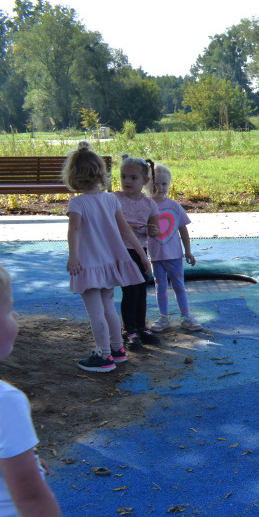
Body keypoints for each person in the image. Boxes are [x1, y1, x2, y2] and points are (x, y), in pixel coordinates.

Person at [0, 265, 98, 517]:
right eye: (9, 309)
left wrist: (18, 462)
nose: (17, 318)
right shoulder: (5, 401)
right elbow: (30, 499)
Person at [65, 143, 150, 372]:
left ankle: (103, 357)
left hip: (89, 265)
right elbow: (126, 231)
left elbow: (73, 231)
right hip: (109, 265)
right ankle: (117, 350)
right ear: (100, 173)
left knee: (96, 313)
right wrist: (143, 255)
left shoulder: (77, 203)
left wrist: (73, 257)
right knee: (108, 308)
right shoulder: (111, 199)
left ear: (74, 176)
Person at [147, 164, 203, 333]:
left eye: (164, 184)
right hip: (156, 256)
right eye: (156, 184)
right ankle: (163, 317)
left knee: (179, 286)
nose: (160, 188)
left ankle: (185, 316)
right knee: (160, 287)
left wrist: (188, 251)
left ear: (169, 184)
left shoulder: (174, 206)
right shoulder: (147, 206)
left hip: (174, 256)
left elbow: (183, 229)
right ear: (149, 185)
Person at [116, 156, 161, 350]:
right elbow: (108, 224)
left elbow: (155, 229)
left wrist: (152, 230)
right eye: (124, 176)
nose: (127, 181)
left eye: (133, 178)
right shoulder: (115, 199)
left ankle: (141, 326)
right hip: (121, 250)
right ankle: (129, 329)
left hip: (140, 250)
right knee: (130, 290)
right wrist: (126, 227)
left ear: (145, 181)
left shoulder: (149, 204)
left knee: (142, 289)